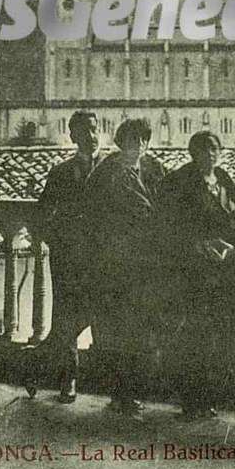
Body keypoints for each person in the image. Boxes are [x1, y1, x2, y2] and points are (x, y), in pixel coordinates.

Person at [159, 131, 235, 419]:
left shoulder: (227, 184)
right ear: (192, 153)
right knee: (192, 336)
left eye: (214, 149)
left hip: (223, 273)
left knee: (218, 336)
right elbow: (167, 227)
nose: (209, 155)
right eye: (203, 150)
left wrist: (232, 245)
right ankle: (189, 400)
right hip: (192, 273)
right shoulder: (178, 183)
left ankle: (209, 398)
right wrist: (198, 244)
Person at [83, 117, 165, 419]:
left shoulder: (156, 170)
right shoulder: (104, 173)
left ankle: (136, 392)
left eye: (143, 140)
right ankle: (120, 393)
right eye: (132, 140)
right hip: (113, 265)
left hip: (146, 264)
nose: (138, 146)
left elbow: (167, 209)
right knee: (113, 331)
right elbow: (90, 216)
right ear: (121, 142)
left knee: (143, 331)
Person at [35, 110, 101, 402]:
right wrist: (61, 242)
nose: (90, 135)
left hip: (104, 258)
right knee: (65, 319)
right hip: (69, 259)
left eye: (94, 129)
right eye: (83, 131)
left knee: (105, 316)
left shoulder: (113, 169)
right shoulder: (60, 173)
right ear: (72, 136)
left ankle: (108, 380)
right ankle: (68, 380)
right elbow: (43, 216)